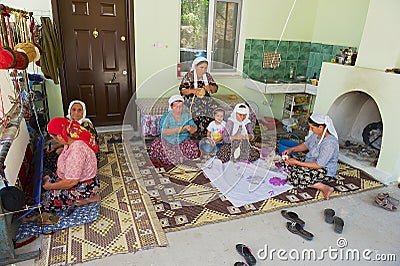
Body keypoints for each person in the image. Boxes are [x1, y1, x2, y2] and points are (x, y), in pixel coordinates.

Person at [42, 117, 100, 212]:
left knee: (46, 202)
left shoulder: (77, 151)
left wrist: (51, 186)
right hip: (73, 178)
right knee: (45, 179)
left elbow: (71, 181)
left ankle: (87, 199)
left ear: (60, 136)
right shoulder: (72, 137)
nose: (54, 140)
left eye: (53, 138)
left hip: (83, 186)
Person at [282, 113, 339, 200]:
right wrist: (291, 149)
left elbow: (319, 165)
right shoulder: (316, 134)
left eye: (312, 127)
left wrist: (297, 163)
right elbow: (306, 145)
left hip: (324, 169)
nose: (311, 129)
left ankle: (324, 187)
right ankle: (298, 169)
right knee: (286, 159)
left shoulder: (329, 143)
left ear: (321, 127)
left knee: (296, 177)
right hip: (310, 160)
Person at [148, 95, 200, 164]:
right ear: (171, 107)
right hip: (168, 140)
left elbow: (194, 128)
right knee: (157, 145)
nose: (179, 109)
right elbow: (163, 131)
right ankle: (180, 158)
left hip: (182, 140)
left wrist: (191, 129)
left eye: (180, 107)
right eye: (176, 107)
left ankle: (178, 158)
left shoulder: (186, 115)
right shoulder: (166, 116)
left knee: (192, 148)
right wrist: (179, 129)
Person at [179, 57, 219, 138]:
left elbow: (215, 90)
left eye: (205, 68)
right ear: (195, 67)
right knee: (198, 111)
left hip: (206, 99)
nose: (203, 70)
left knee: (217, 109)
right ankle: (196, 134)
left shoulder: (207, 76)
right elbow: (182, 90)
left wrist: (210, 88)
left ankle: (210, 132)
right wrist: (193, 91)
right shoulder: (189, 76)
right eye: (201, 67)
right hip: (192, 98)